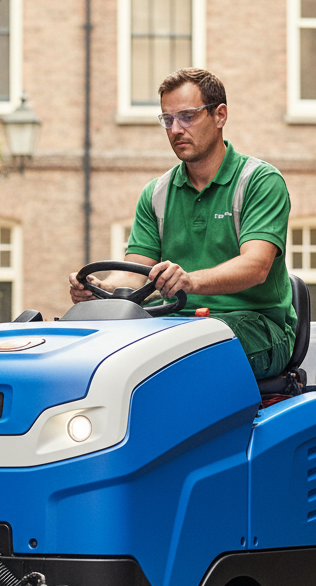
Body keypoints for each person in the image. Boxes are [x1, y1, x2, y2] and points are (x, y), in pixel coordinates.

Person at [68, 67, 296, 379]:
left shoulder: (258, 181)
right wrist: (102, 289)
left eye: (187, 116)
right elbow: (136, 274)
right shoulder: (156, 194)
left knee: (180, 355)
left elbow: (256, 266)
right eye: (168, 119)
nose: (176, 129)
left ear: (220, 116)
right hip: (175, 326)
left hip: (257, 327)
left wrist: (190, 281)